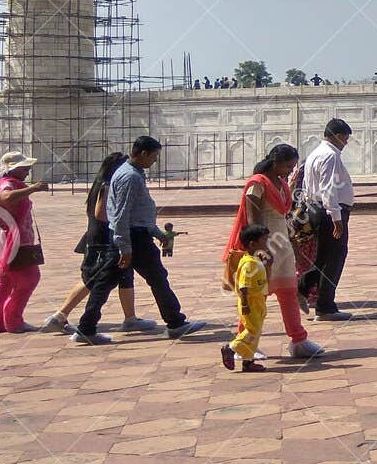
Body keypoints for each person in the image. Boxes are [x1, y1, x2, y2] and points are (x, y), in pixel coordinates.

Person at [75, 136, 204, 345]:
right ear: (143, 153)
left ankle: (86, 328)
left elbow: (137, 212)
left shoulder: (131, 173)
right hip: (132, 239)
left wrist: (156, 233)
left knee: (105, 283)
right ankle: (175, 323)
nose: (154, 161)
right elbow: (121, 215)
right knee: (157, 278)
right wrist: (125, 248)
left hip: (131, 236)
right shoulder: (130, 177)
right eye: (153, 156)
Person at [43, 152, 156, 333]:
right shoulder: (108, 185)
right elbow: (101, 214)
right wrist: (121, 223)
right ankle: (60, 315)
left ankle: (130, 318)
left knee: (124, 276)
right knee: (94, 279)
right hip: (104, 239)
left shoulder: (103, 184)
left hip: (105, 237)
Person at [227, 144, 322, 358]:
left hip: (282, 246)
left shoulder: (280, 184)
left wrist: (293, 244)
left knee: (288, 292)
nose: (290, 170)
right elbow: (254, 220)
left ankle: (298, 339)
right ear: (276, 162)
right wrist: (261, 250)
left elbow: (284, 218)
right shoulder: (257, 184)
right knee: (254, 297)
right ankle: (245, 343)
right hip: (264, 247)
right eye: (288, 166)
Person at [0, 150, 49, 335]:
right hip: (13, 241)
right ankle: (13, 320)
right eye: (25, 167)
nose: (28, 170)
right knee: (29, 279)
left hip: (5, 239)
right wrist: (33, 188)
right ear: (14, 169)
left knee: (4, 280)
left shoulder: (4, 183)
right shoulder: (7, 184)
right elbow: (7, 197)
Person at [299, 118, 355, 322]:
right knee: (335, 257)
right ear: (337, 136)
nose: (346, 142)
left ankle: (303, 289)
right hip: (329, 212)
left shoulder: (315, 153)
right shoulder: (330, 155)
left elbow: (307, 187)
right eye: (345, 138)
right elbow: (328, 189)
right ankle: (325, 306)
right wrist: (336, 218)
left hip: (318, 210)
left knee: (323, 258)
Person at [220, 224, 271, 374]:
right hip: (251, 302)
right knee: (251, 331)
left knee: (256, 332)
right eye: (264, 241)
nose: (266, 244)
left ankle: (248, 361)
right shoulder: (248, 263)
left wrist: (268, 265)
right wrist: (245, 303)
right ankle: (230, 348)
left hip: (258, 301)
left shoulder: (254, 260)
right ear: (253, 244)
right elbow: (243, 286)